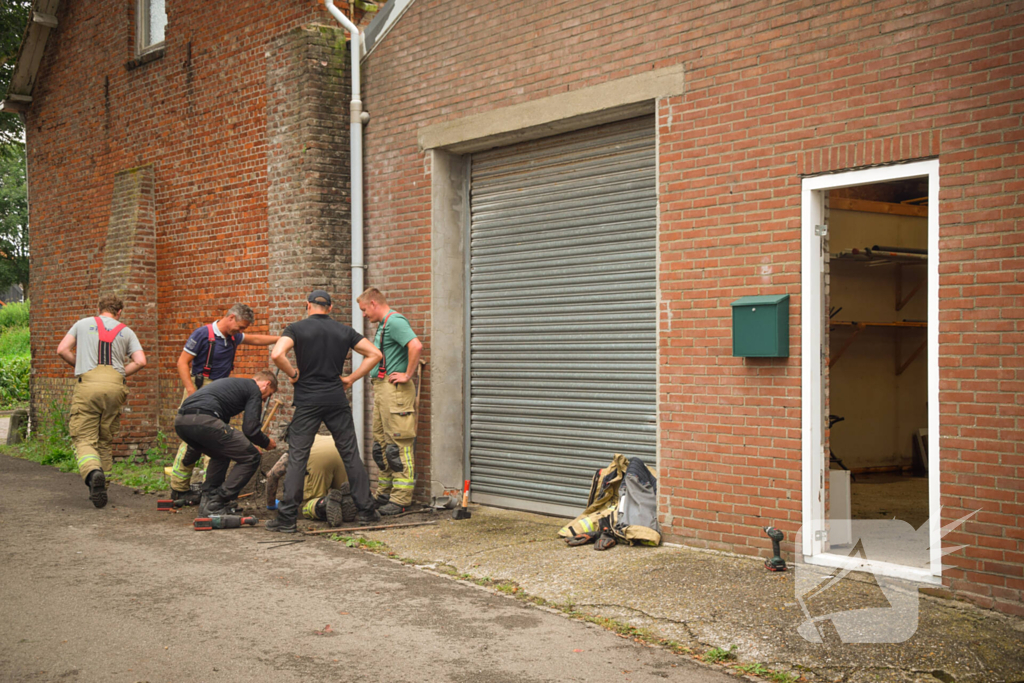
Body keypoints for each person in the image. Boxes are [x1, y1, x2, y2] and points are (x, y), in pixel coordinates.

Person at [266, 290, 383, 533]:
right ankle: (367, 512)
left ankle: (287, 518)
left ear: (307, 305)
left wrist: (294, 374)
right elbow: (375, 354)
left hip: (307, 400)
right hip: (335, 399)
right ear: (329, 308)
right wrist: (350, 378)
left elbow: (277, 354)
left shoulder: (295, 329)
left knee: (298, 456)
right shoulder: (344, 331)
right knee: (350, 453)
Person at [168, 304, 280, 504]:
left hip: (217, 393)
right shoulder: (203, 334)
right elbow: (182, 362)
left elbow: (256, 339)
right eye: (241, 327)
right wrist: (192, 392)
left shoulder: (233, 337)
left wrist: (282, 340)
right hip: (200, 388)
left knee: (216, 440)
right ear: (230, 318)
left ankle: (207, 490)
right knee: (191, 444)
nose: (241, 331)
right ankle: (179, 487)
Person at [56, 296, 147, 508]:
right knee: (105, 438)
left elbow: (62, 350)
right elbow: (141, 361)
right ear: (119, 313)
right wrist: (119, 374)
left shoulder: (82, 324)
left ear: (99, 309)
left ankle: (93, 473)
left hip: (88, 385)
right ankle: (102, 485)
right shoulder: (126, 331)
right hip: (115, 386)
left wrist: (79, 366)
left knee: (84, 438)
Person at [173, 370, 278, 516]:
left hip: (181, 422)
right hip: (204, 420)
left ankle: (208, 501)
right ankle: (218, 501)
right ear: (266, 385)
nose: (266, 400)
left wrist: (192, 452)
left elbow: (223, 434)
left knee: (221, 454)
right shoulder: (253, 389)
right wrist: (266, 443)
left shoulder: (230, 387)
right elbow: (251, 429)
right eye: (270, 394)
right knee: (251, 457)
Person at [356, 287, 423, 515]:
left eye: (364, 310)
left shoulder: (394, 322)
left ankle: (401, 499)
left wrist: (407, 374)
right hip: (382, 390)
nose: (364, 315)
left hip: (395, 392)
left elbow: (416, 345)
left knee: (398, 446)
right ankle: (384, 494)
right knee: (381, 446)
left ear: (373, 303)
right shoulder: (384, 325)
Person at [264, 434, 356, 526]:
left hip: (319, 458)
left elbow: (272, 475)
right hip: (340, 450)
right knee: (343, 491)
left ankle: (324, 503)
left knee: (308, 506)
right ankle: (348, 501)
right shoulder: (319, 437)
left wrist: (271, 504)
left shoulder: (299, 444)